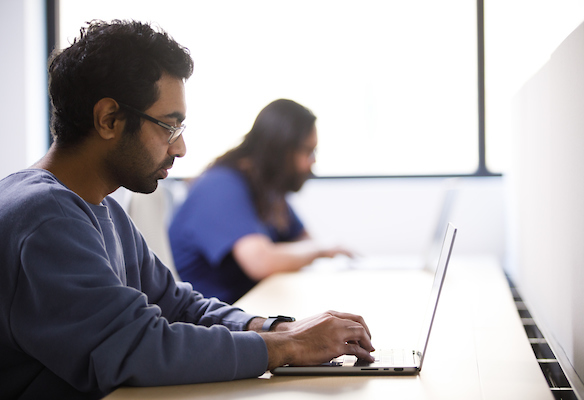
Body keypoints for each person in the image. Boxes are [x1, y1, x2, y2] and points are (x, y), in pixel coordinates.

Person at [0, 20, 374, 400]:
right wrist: (289, 348)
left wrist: (276, 328)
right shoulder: (45, 216)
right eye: (168, 126)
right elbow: (139, 349)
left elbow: (178, 306)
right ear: (109, 119)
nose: (180, 149)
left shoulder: (102, 209)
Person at [169, 99, 352, 303]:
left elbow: (303, 240)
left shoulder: (267, 191)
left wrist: (316, 249)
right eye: (307, 151)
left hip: (245, 310)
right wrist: (323, 249)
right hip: (206, 322)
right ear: (281, 149)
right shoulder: (221, 186)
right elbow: (261, 262)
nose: (312, 162)